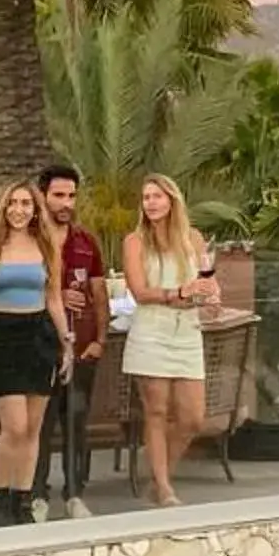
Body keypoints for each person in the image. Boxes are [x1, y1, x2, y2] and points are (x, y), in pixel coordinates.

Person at [0, 180, 73, 527]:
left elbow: (54, 298)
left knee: (33, 430)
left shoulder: (47, 245)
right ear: (2, 206)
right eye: (13, 202)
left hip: (39, 336)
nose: (19, 209)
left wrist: (66, 342)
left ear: (35, 208)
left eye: (26, 203)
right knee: (14, 426)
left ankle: (22, 500)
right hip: (2, 336)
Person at [120, 174, 217, 508]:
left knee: (192, 417)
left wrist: (211, 296)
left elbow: (207, 280)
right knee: (156, 411)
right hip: (151, 331)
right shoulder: (134, 242)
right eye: (146, 197)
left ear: (172, 200)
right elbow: (140, 292)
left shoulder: (193, 238)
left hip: (187, 330)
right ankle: (163, 487)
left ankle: (160, 476)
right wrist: (179, 292)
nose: (151, 203)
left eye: (157, 196)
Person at [39, 163, 105, 519]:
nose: (66, 203)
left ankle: (75, 494)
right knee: (40, 424)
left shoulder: (85, 242)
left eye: (71, 196)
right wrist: (56, 295)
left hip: (81, 346)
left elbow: (99, 294)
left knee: (76, 422)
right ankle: (36, 495)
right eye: (58, 195)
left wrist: (101, 340)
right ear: (43, 196)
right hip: (40, 345)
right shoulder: (29, 242)